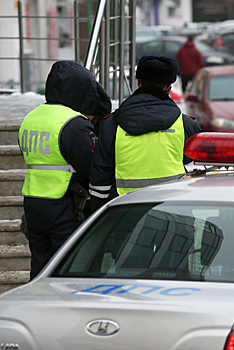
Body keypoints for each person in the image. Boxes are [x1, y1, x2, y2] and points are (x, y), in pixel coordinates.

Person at [18, 60, 111, 280]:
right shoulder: (73, 123)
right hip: (63, 204)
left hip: (33, 202)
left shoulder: (31, 118)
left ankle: (38, 309)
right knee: (67, 267)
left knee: (40, 265)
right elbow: (91, 166)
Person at [88, 55, 202, 211]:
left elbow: (100, 177)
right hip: (174, 212)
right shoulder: (185, 125)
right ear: (168, 86)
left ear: (138, 83)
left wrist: (99, 218)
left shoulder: (111, 125)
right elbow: (193, 161)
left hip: (123, 213)